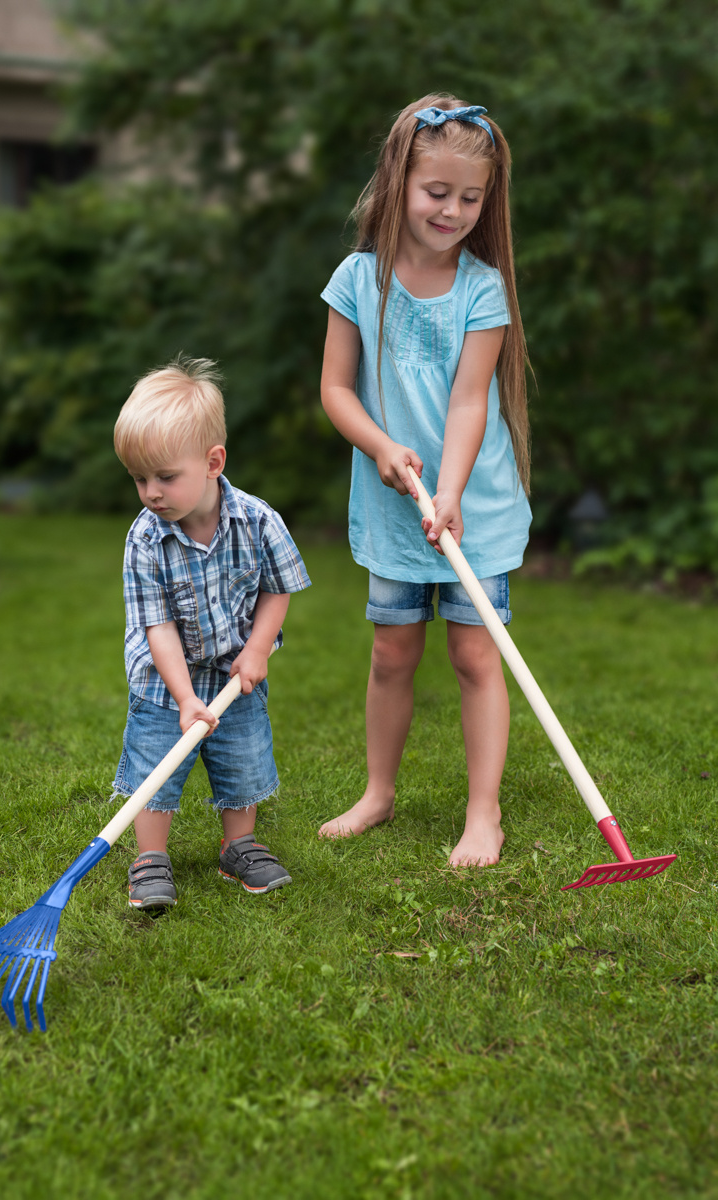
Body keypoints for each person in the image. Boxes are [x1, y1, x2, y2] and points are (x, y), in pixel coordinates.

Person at [318, 94, 531, 866]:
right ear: (397, 181)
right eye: (436, 192)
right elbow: (335, 390)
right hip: (392, 506)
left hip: (471, 502)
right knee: (391, 653)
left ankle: (483, 813)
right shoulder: (357, 279)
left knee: (475, 657)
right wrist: (380, 445)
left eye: (470, 198)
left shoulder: (481, 289)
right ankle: (378, 792)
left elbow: (471, 401)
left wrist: (450, 490)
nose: (452, 211)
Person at [111, 357, 311, 907]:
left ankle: (239, 845)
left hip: (234, 674)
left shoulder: (259, 521)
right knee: (156, 768)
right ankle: (150, 857)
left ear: (213, 462)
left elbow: (278, 588)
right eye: (139, 479)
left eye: (164, 477)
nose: (151, 492)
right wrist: (183, 698)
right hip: (162, 683)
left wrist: (257, 649)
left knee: (243, 760)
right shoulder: (145, 540)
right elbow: (157, 626)